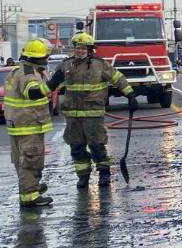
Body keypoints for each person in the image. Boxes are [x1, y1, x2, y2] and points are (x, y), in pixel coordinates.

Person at [47, 32, 137, 188]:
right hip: (73, 116)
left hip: (93, 114)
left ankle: (104, 174)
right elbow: (52, 84)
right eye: (77, 47)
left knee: (97, 145)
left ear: (89, 49)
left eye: (83, 48)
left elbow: (118, 78)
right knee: (76, 147)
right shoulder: (66, 65)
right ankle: (83, 176)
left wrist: (130, 95)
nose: (80, 50)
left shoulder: (100, 65)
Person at [4, 39, 55, 209]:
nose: (47, 59)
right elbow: (32, 93)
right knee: (31, 160)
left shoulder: (18, 71)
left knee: (22, 160)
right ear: (38, 58)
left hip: (18, 124)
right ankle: (29, 196)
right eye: (45, 56)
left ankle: (30, 187)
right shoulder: (28, 74)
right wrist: (52, 84)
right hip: (28, 124)